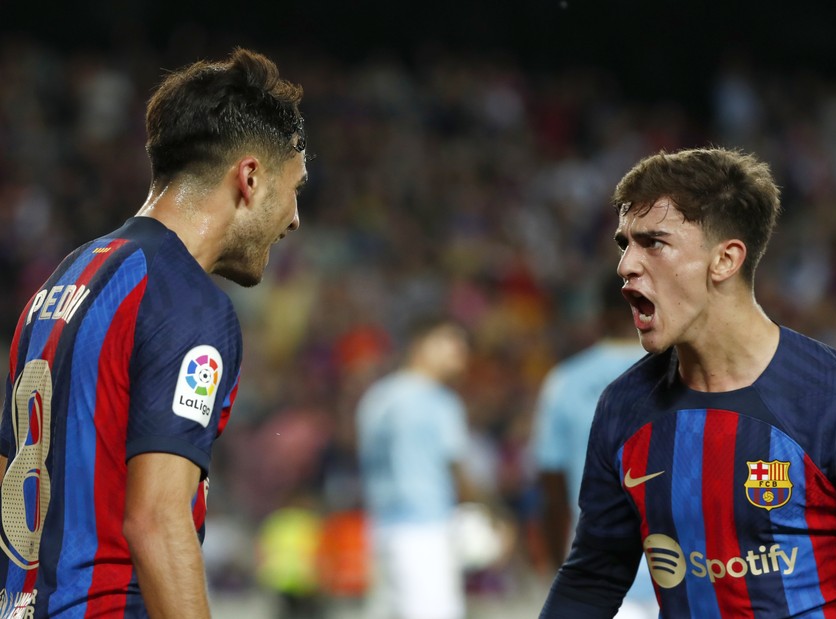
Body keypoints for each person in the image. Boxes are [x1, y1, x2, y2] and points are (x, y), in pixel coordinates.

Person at [0, 47, 308, 617]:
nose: (294, 218)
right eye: (295, 189)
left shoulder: (65, 279)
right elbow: (158, 521)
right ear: (250, 177)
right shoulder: (186, 304)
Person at [539, 147, 836, 618]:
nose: (626, 265)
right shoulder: (625, 405)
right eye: (624, 244)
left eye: (653, 242)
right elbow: (594, 573)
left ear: (725, 260)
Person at [532, 274, 657, 619]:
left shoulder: (565, 381)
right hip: (683, 576)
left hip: (600, 577)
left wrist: (562, 573)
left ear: (600, 314)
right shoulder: (683, 371)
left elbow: (552, 487)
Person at [355, 317, 478, 619]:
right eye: (451, 343)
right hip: (426, 531)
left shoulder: (377, 397)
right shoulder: (439, 401)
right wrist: (492, 515)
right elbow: (457, 470)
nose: (459, 352)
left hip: (381, 528)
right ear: (422, 345)